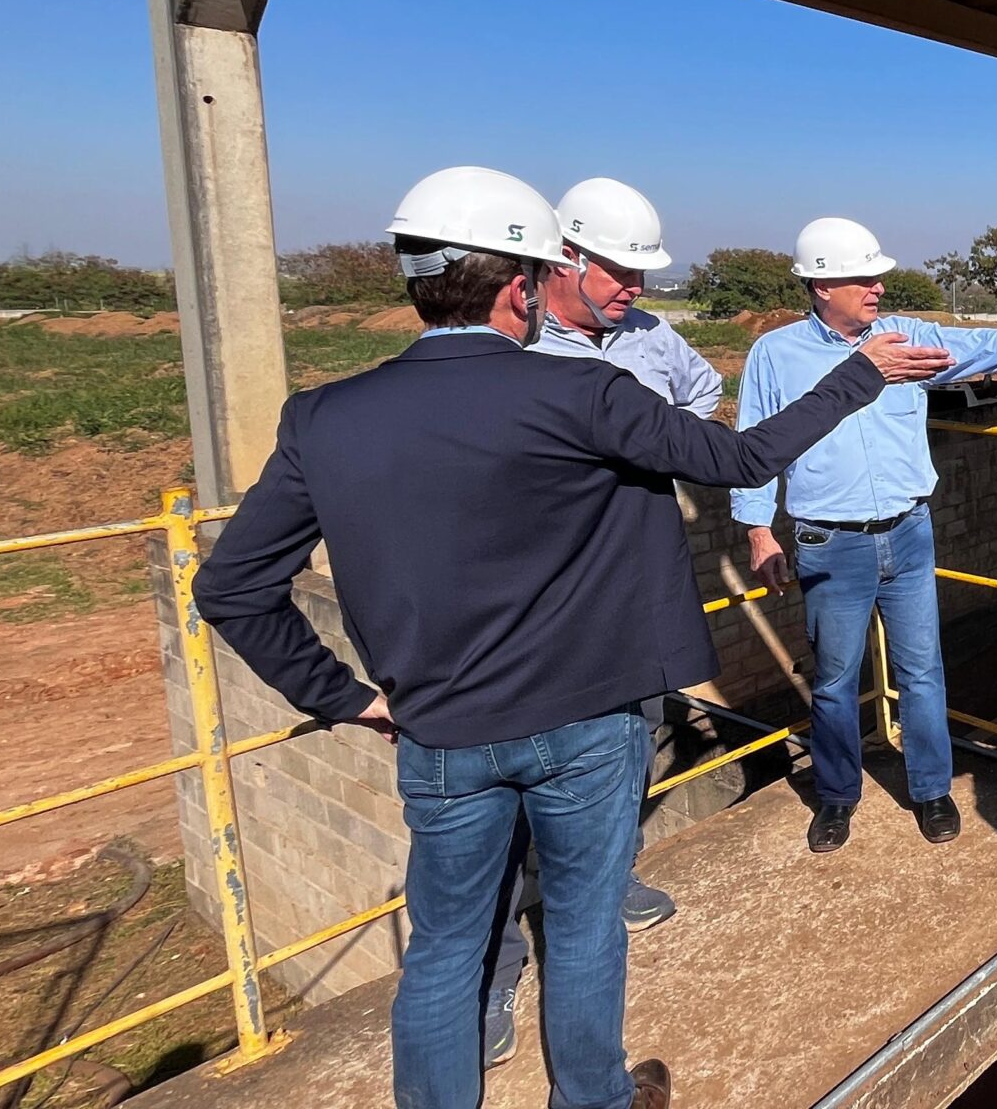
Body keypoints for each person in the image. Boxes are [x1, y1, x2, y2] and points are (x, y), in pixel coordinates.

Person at [193, 169, 953, 1109]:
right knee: (585, 930)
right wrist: (862, 374)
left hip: (439, 734)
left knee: (443, 956)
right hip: (588, 722)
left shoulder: (325, 417)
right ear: (522, 286)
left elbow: (230, 587)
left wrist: (347, 698)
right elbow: (744, 458)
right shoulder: (582, 393)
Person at [732, 217, 997, 854]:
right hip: (832, 542)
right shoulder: (776, 355)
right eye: (863, 277)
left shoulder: (905, 338)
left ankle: (932, 790)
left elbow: (974, 345)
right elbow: (753, 446)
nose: (878, 286)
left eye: (879, 275)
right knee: (832, 680)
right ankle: (835, 797)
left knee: (923, 671)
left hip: (909, 533)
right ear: (821, 285)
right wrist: (757, 531)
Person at [474, 177, 721, 1070]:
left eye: (644, 275)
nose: (637, 290)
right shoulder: (508, 344)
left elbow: (702, 396)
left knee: (626, 747)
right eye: (621, 272)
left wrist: (655, 458)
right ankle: (492, 980)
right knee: (497, 808)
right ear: (562, 260)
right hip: (533, 605)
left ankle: (609, 880)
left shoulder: (653, 340)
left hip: (625, 591)